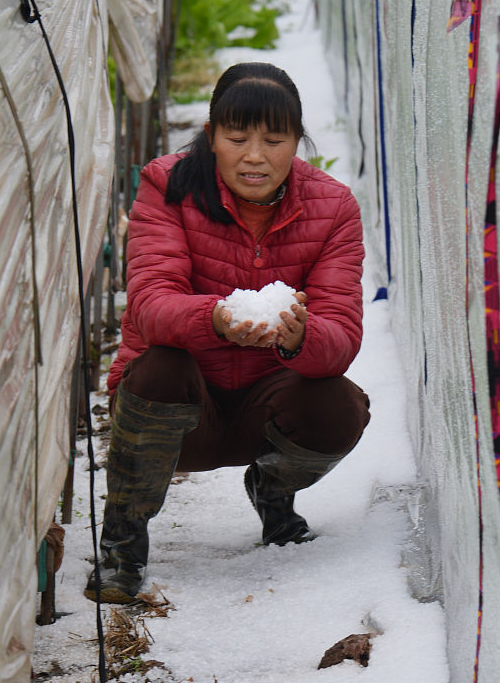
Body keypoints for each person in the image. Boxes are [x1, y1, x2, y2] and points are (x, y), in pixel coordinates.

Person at [86, 61, 370, 603]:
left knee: (339, 404)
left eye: (274, 139)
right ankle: (123, 539)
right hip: (182, 413)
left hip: (265, 405)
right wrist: (215, 319)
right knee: (159, 366)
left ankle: (274, 491)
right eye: (237, 137)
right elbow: (150, 303)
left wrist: (297, 335)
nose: (255, 156)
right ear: (212, 137)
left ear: (297, 141)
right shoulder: (165, 187)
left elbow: (341, 332)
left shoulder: (332, 208)